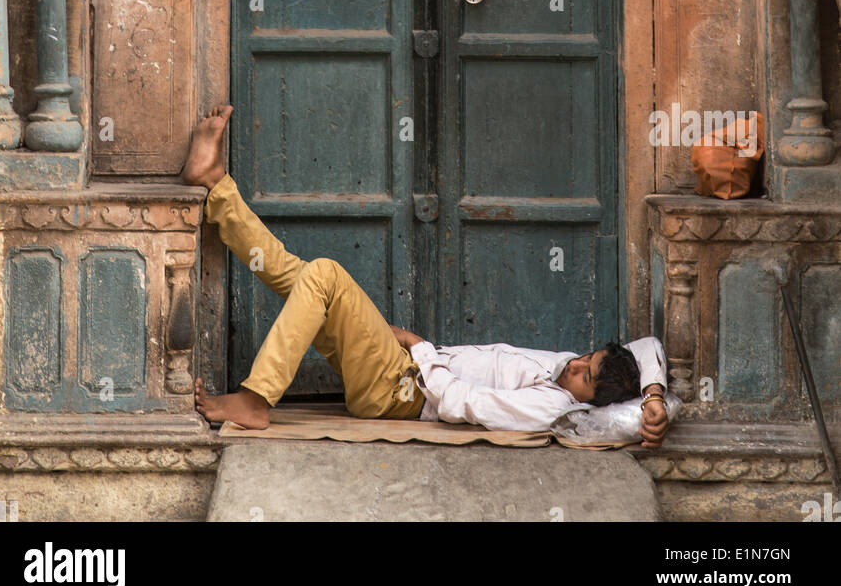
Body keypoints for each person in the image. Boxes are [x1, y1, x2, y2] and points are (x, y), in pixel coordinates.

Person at [187, 107, 670, 447]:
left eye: (584, 378)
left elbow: (463, 404)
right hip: (401, 370)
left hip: (402, 392)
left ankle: (255, 398)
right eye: (587, 358)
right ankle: (215, 184)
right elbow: (648, 348)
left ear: (592, 404)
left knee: (325, 274)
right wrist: (653, 398)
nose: (575, 367)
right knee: (306, 277)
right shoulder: (567, 367)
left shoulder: (549, 408)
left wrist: (419, 347)